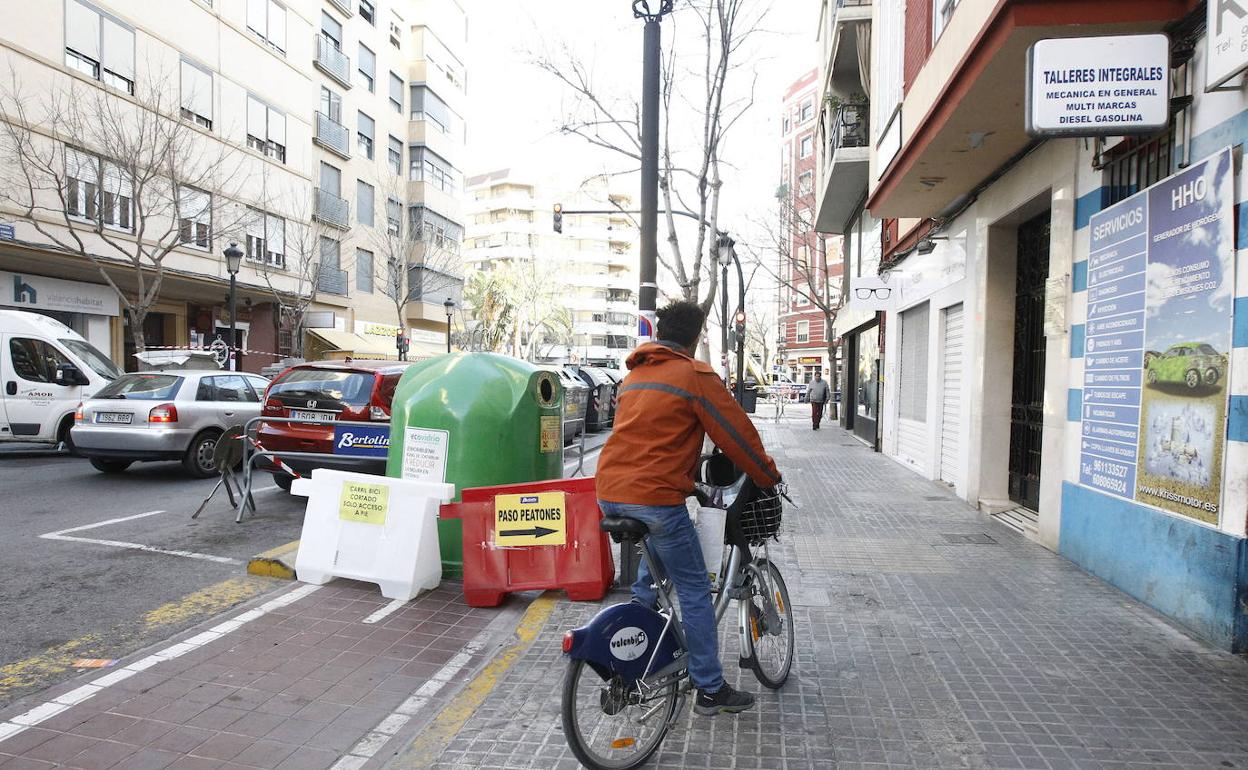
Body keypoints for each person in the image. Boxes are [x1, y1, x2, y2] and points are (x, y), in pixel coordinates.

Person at [596, 300, 782, 716]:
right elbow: (736, 433)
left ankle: (628, 661)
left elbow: (648, 436)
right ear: (695, 337)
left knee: (651, 578)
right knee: (695, 590)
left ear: (660, 333)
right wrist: (768, 475)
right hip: (655, 497)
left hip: (610, 489)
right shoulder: (694, 375)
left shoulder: (635, 377)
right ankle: (710, 688)